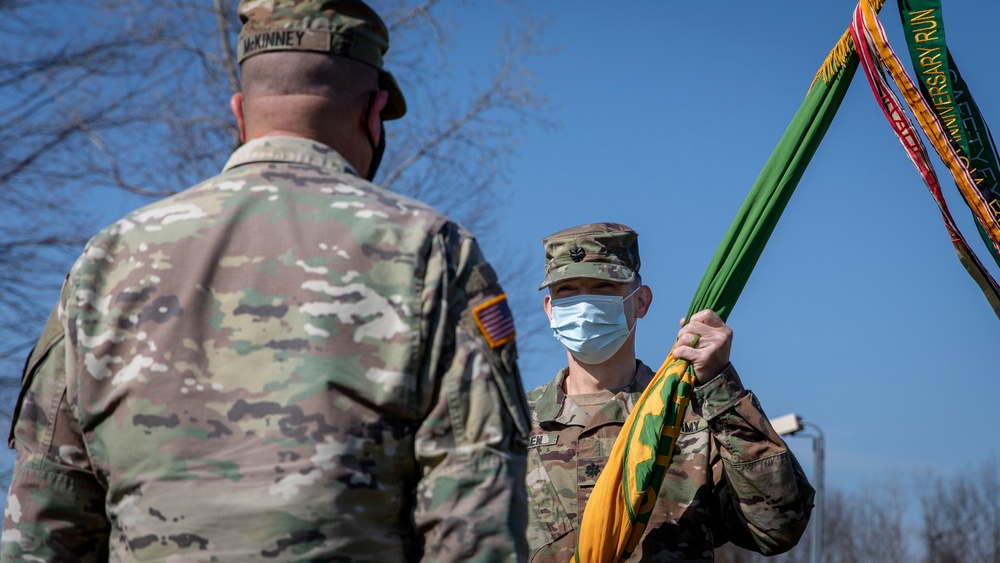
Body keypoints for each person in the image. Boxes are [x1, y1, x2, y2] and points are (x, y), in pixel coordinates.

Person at [2, 1, 530, 560]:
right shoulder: (430, 253)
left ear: (239, 113)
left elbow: (45, 513)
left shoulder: (106, 261)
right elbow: (476, 508)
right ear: (374, 113)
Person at [524, 222, 814, 562]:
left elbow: (778, 526)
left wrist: (721, 386)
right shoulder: (506, 426)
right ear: (549, 308)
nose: (585, 305)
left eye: (604, 287)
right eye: (568, 290)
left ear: (641, 301)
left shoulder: (692, 414)